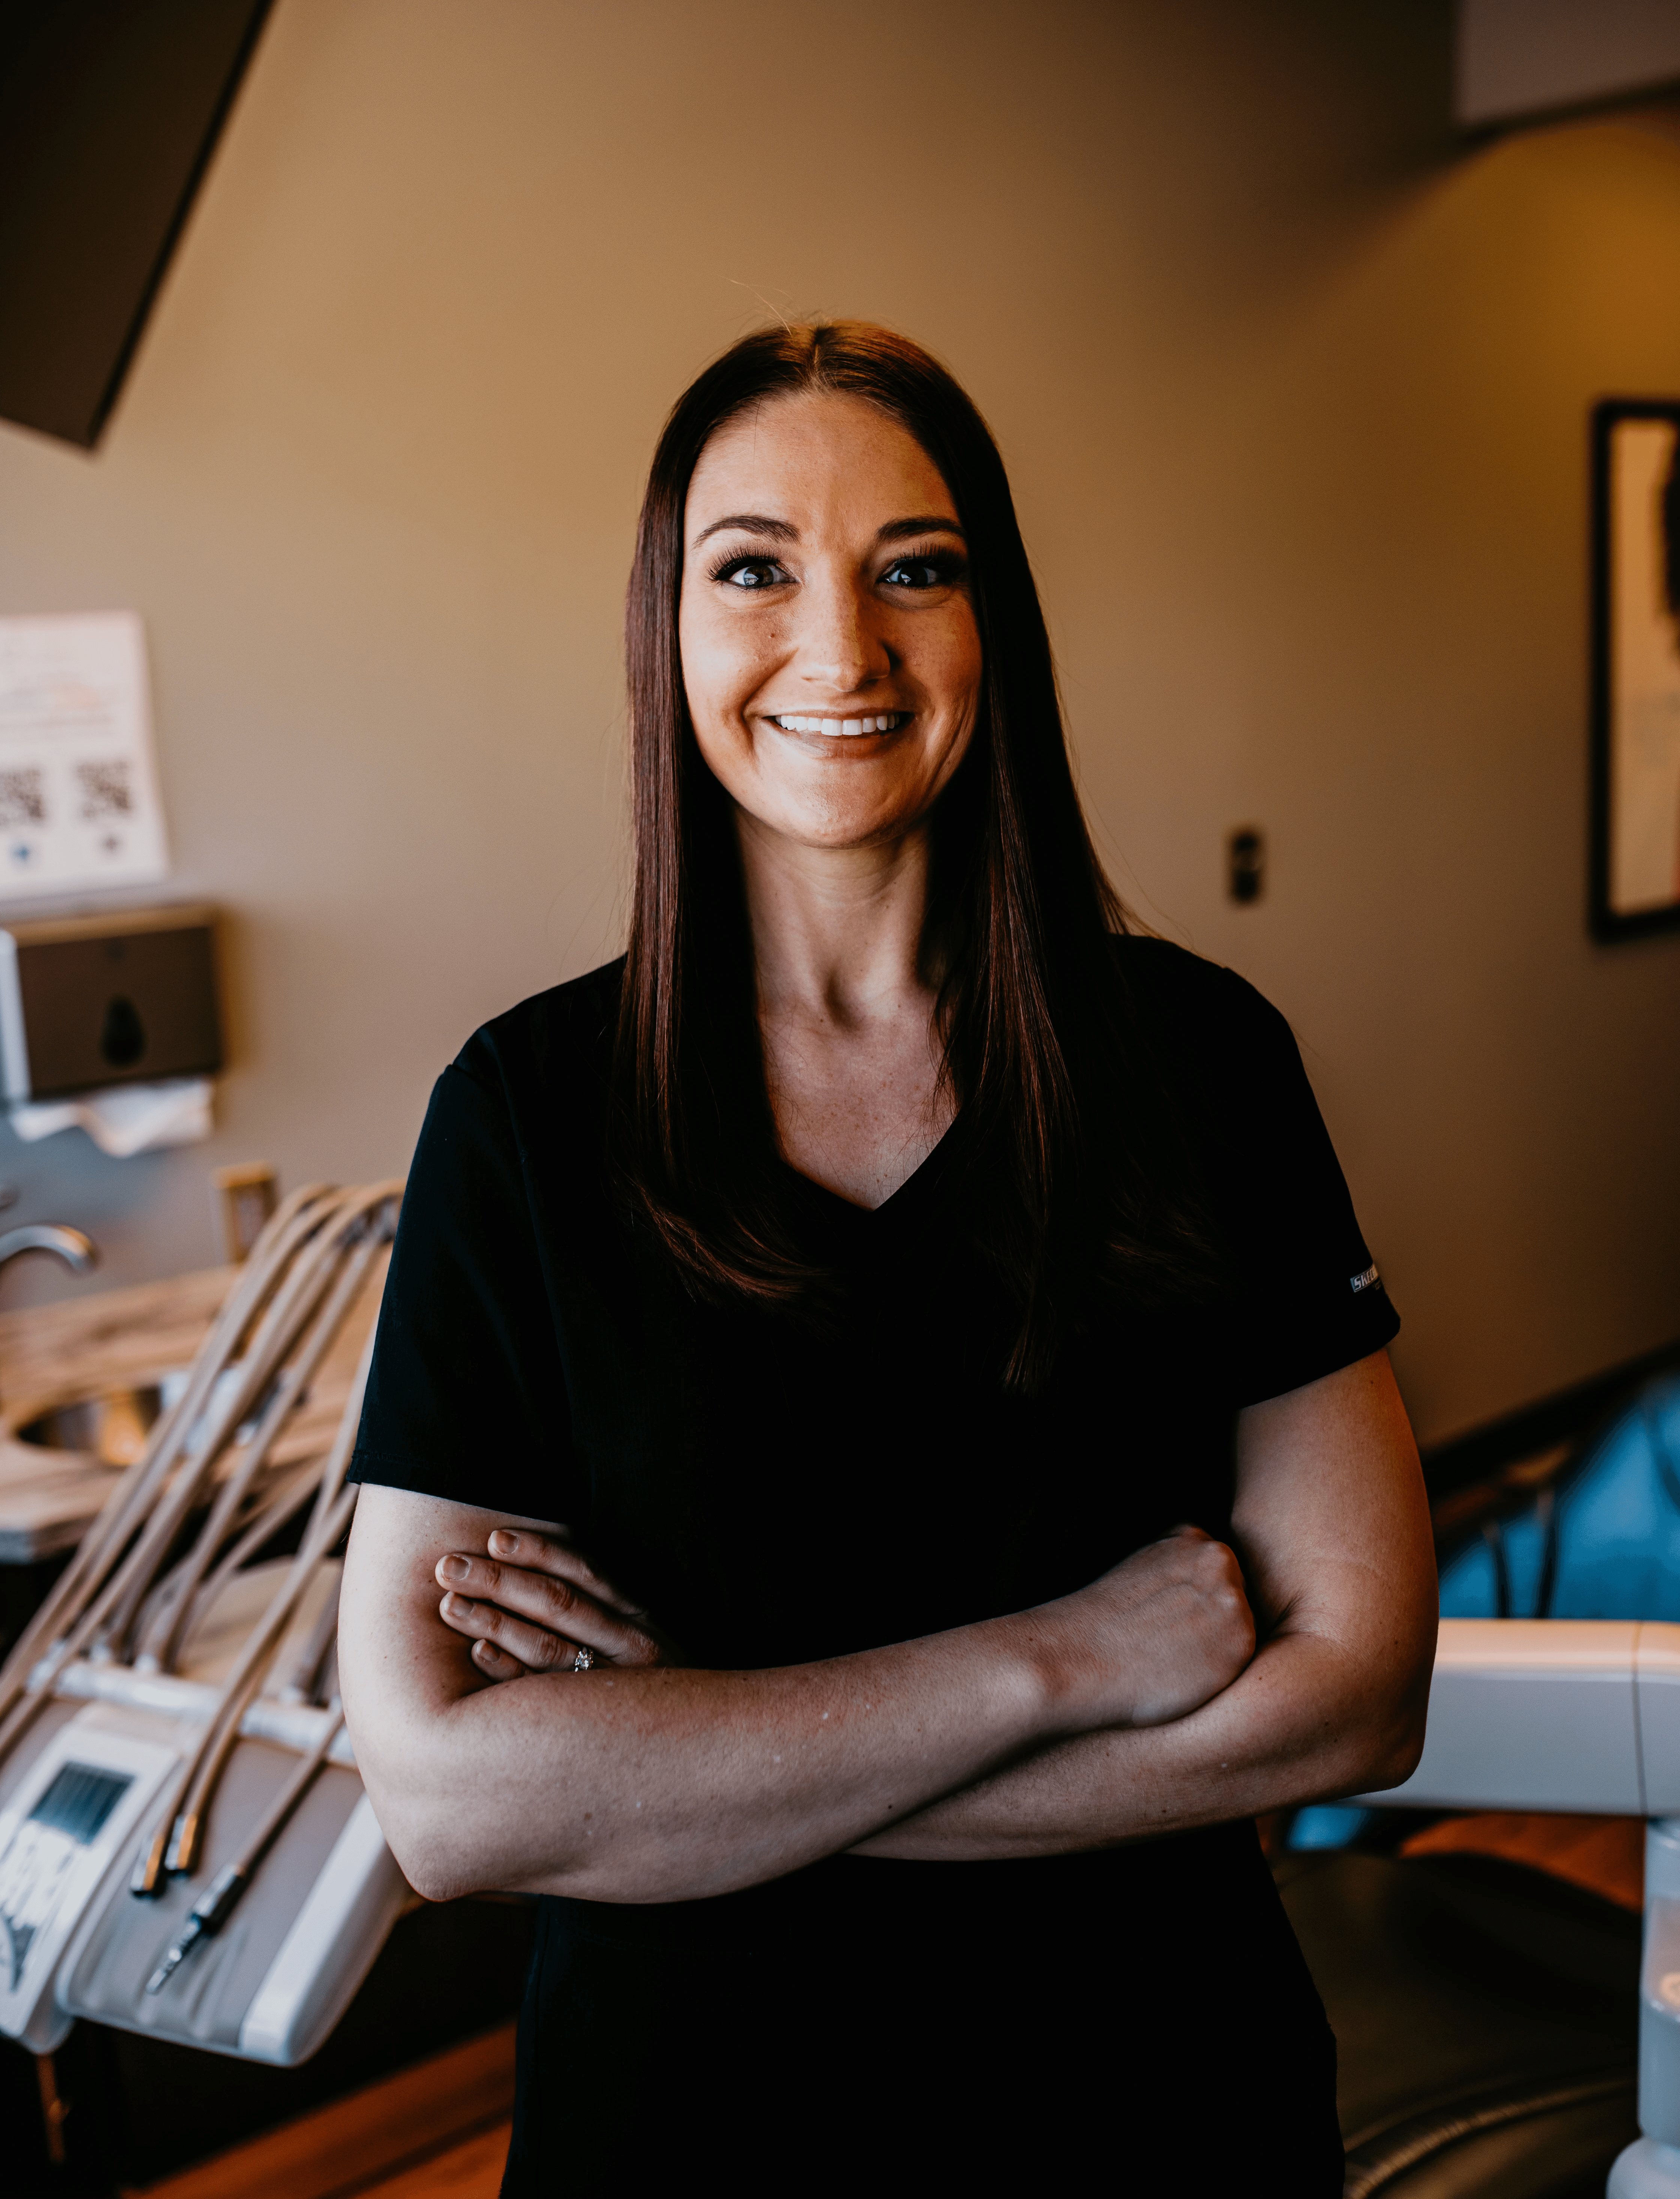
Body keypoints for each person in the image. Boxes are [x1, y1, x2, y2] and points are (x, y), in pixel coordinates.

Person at [338, 321, 1436, 2196]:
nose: (839, 650)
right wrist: (1073, 1655)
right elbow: (447, 1802)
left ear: (987, 617)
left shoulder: (1200, 1061)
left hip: (1151, 2102)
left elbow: (1357, 1687)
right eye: (752, 567)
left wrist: (699, 1762)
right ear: (665, 629)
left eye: (911, 570)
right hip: (686, 2126)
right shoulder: (522, 1116)